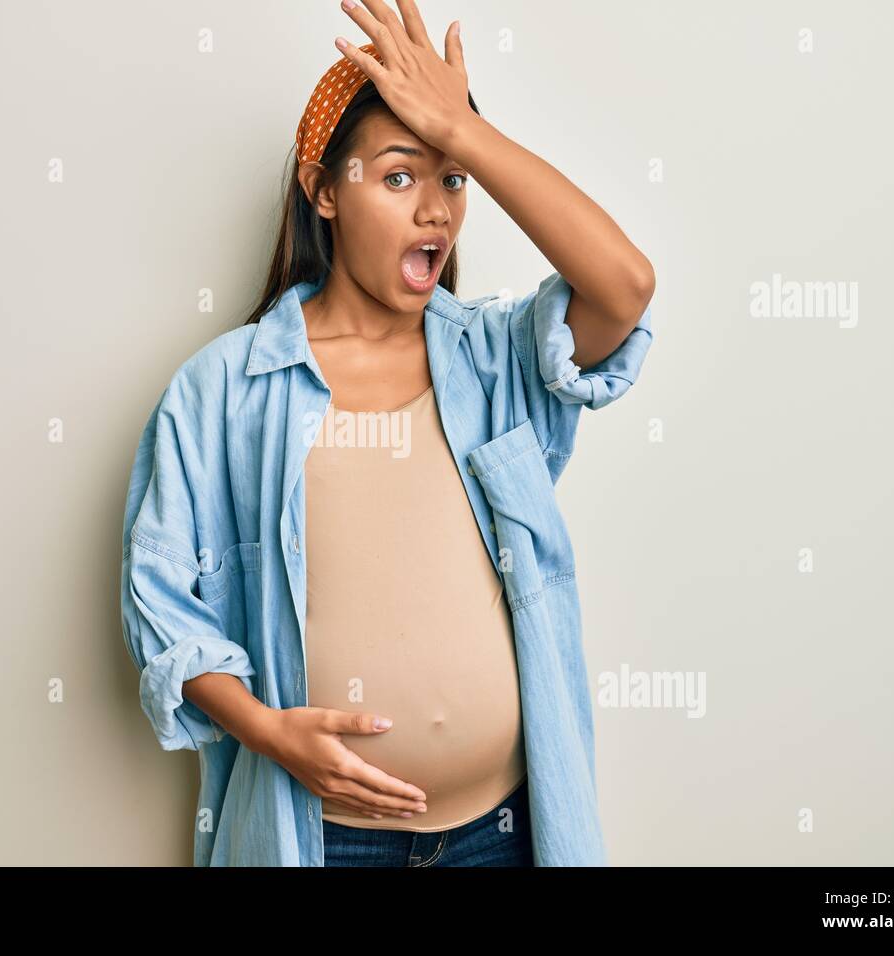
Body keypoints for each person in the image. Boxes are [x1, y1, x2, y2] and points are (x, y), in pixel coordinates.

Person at [120, 0, 655, 867]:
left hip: (507, 836)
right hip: (324, 842)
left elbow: (625, 288)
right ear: (324, 190)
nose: (436, 210)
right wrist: (269, 733)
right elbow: (163, 605)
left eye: (452, 182)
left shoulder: (497, 360)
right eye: (399, 176)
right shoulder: (223, 388)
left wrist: (461, 130)